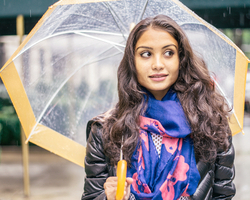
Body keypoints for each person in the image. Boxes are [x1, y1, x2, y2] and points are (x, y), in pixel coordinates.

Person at [81, 15, 235, 200]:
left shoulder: (211, 125)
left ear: (181, 59)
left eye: (168, 52)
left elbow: (223, 196)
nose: (157, 64)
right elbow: (91, 196)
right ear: (132, 62)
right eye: (146, 54)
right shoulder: (106, 132)